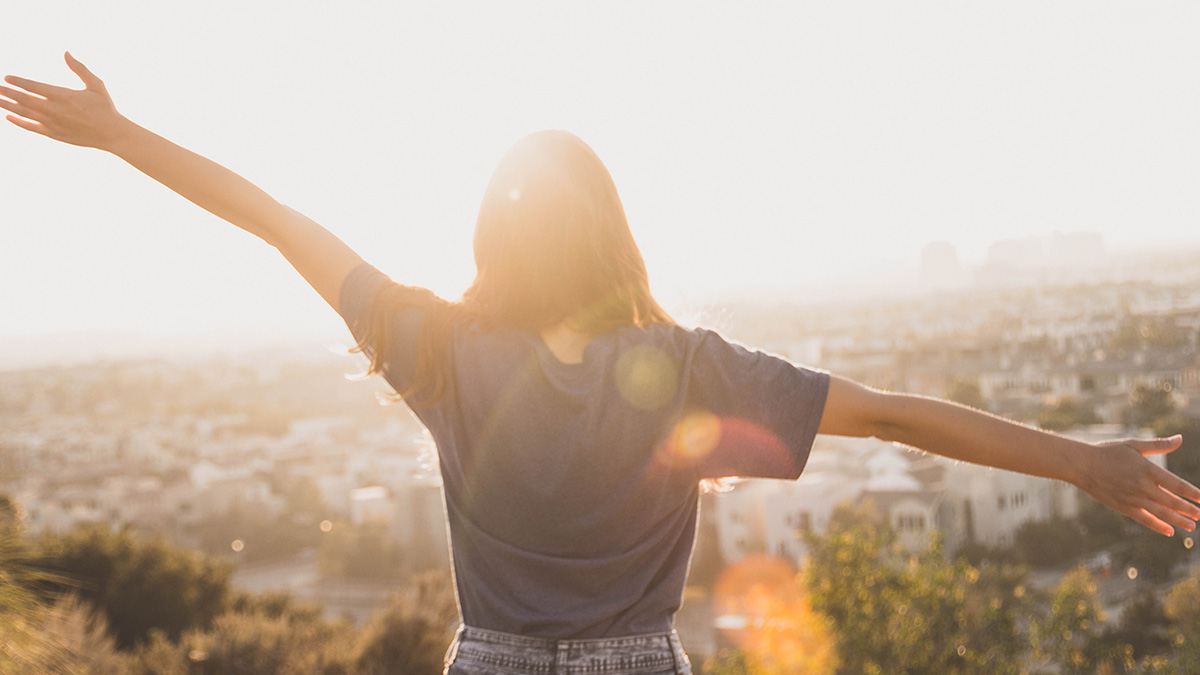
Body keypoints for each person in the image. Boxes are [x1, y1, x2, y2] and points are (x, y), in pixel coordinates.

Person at [4, 54, 1199, 675]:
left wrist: (119, 136)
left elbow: (279, 220)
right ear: (613, 231)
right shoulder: (683, 370)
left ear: (490, 236)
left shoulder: (437, 350)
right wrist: (1081, 463)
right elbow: (890, 417)